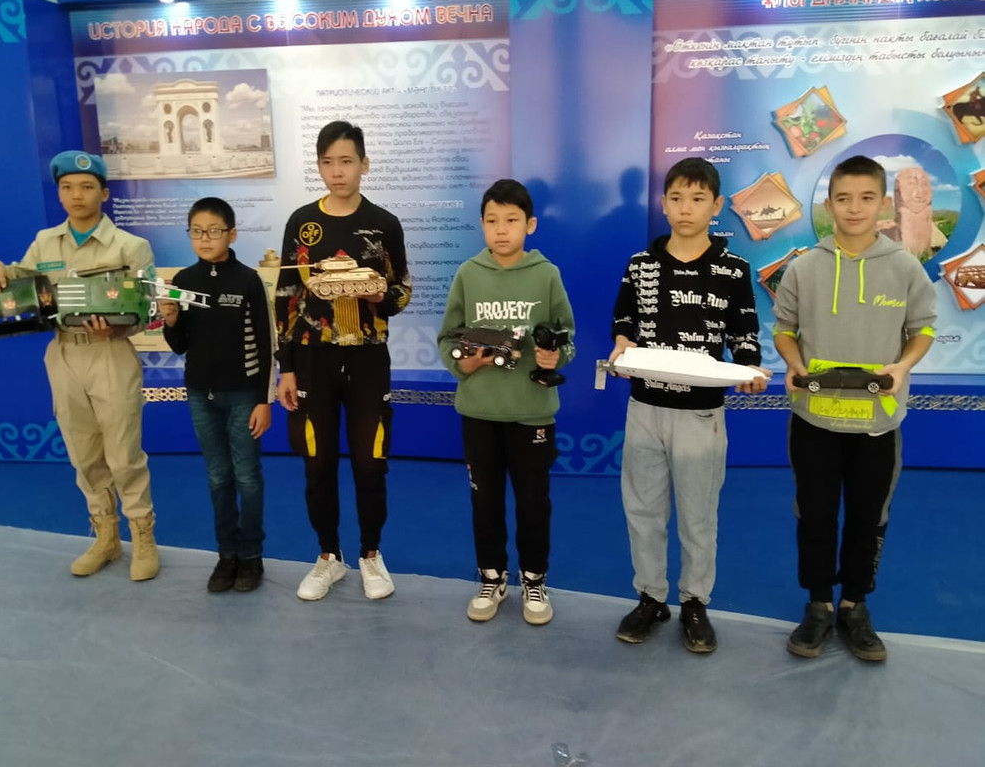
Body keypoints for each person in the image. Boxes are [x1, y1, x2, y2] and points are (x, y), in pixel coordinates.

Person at [773, 155, 936, 662]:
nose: (855, 208)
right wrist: (793, 362)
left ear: (883, 203)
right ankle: (818, 604)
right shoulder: (805, 267)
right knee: (815, 515)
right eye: (843, 198)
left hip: (877, 424)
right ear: (829, 205)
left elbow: (922, 329)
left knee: (869, 516)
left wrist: (903, 366)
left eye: (867, 198)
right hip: (814, 419)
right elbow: (784, 329)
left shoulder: (905, 266)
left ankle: (854, 606)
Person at [609, 157, 769, 653]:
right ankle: (650, 597)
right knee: (643, 510)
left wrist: (749, 370)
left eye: (698, 199)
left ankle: (695, 602)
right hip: (645, 408)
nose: (686, 208)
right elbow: (624, 323)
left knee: (698, 515)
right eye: (676, 198)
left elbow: (745, 335)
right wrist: (621, 346)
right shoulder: (640, 265)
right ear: (663, 203)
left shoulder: (733, 269)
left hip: (702, 414)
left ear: (716, 206)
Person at [0, 150, 159, 581]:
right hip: (63, 355)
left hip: (110, 355)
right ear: (59, 193)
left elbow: (152, 310)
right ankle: (106, 537)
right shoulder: (45, 243)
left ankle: (143, 538)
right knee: (84, 453)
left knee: (123, 456)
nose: (77, 195)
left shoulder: (131, 247)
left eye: (87, 186)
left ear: (104, 193)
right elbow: (18, 279)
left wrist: (118, 328)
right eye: (67, 187)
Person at [275, 121, 411, 601]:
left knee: (371, 463)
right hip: (313, 360)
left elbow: (402, 290)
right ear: (318, 166)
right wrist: (286, 367)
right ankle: (328, 556)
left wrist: (378, 295)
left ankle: (370, 553)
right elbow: (287, 297)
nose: (337, 171)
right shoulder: (302, 223)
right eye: (328, 162)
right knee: (318, 463)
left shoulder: (384, 224)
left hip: (369, 360)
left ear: (364, 165)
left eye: (347, 161)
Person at [438, 179, 575, 625]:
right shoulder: (468, 273)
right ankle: (491, 576)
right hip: (479, 412)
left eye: (511, 220)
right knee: (485, 501)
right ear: (481, 224)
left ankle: (534, 579)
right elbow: (447, 338)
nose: (501, 229)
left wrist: (556, 355)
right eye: (492, 221)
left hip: (532, 412)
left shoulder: (546, 274)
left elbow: (568, 336)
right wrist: (465, 363)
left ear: (529, 225)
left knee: (534, 502)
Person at [160, 197, 275, 593]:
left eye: (213, 231)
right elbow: (179, 344)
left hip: (244, 396)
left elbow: (266, 344)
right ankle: (227, 555)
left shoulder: (248, 280)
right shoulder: (183, 280)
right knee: (217, 477)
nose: (204, 239)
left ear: (232, 234)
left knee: (248, 478)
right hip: (200, 396)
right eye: (196, 231)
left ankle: (251, 556)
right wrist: (170, 320)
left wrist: (264, 400)